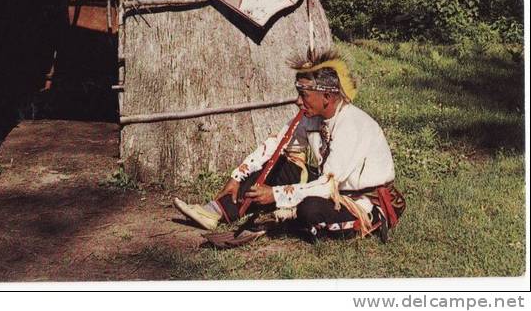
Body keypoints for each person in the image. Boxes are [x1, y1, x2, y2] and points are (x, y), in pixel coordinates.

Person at [173, 50, 405, 242]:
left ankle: (296, 219)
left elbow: (327, 186)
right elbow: (275, 144)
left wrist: (275, 194)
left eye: (303, 94)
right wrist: (237, 176)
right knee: (280, 165)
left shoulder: (353, 124)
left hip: (360, 202)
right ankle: (216, 211)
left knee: (309, 209)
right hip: (330, 187)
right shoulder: (310, 117)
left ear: (327, 96)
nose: (297, 100)